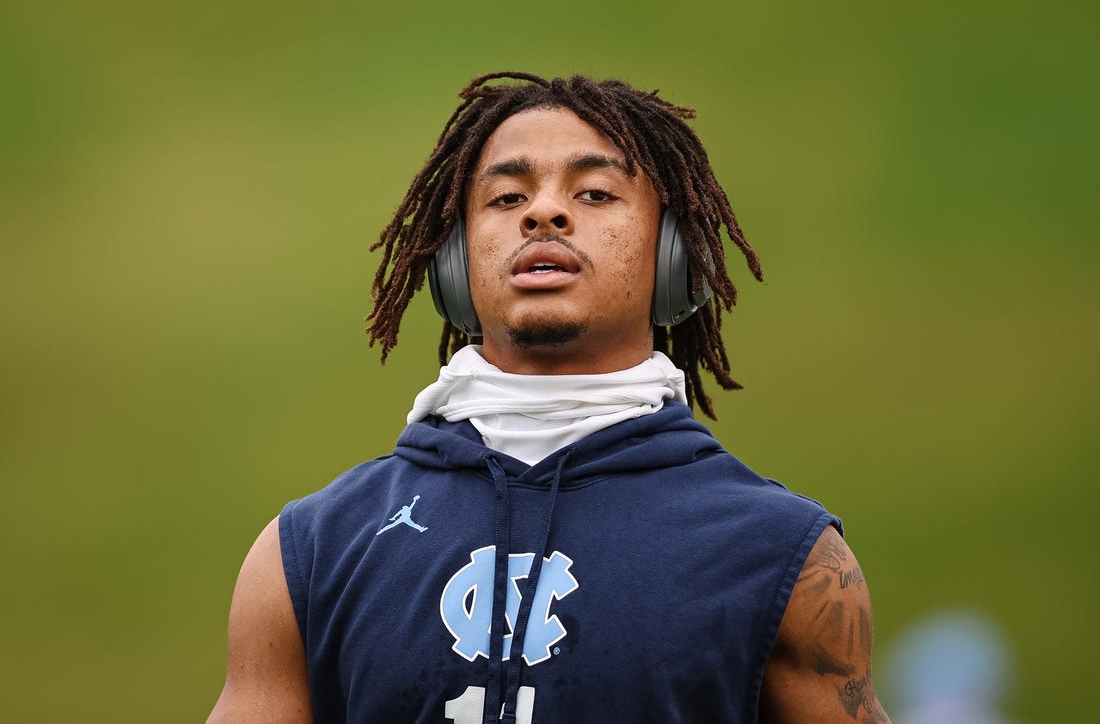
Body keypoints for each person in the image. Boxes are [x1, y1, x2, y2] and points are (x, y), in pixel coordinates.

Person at [207, 72, 892, 723]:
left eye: (595, 193)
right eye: (506, 198)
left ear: (676, 256)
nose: (544, 211)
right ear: (454, 259)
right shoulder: (311, 550)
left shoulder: (782, 557)